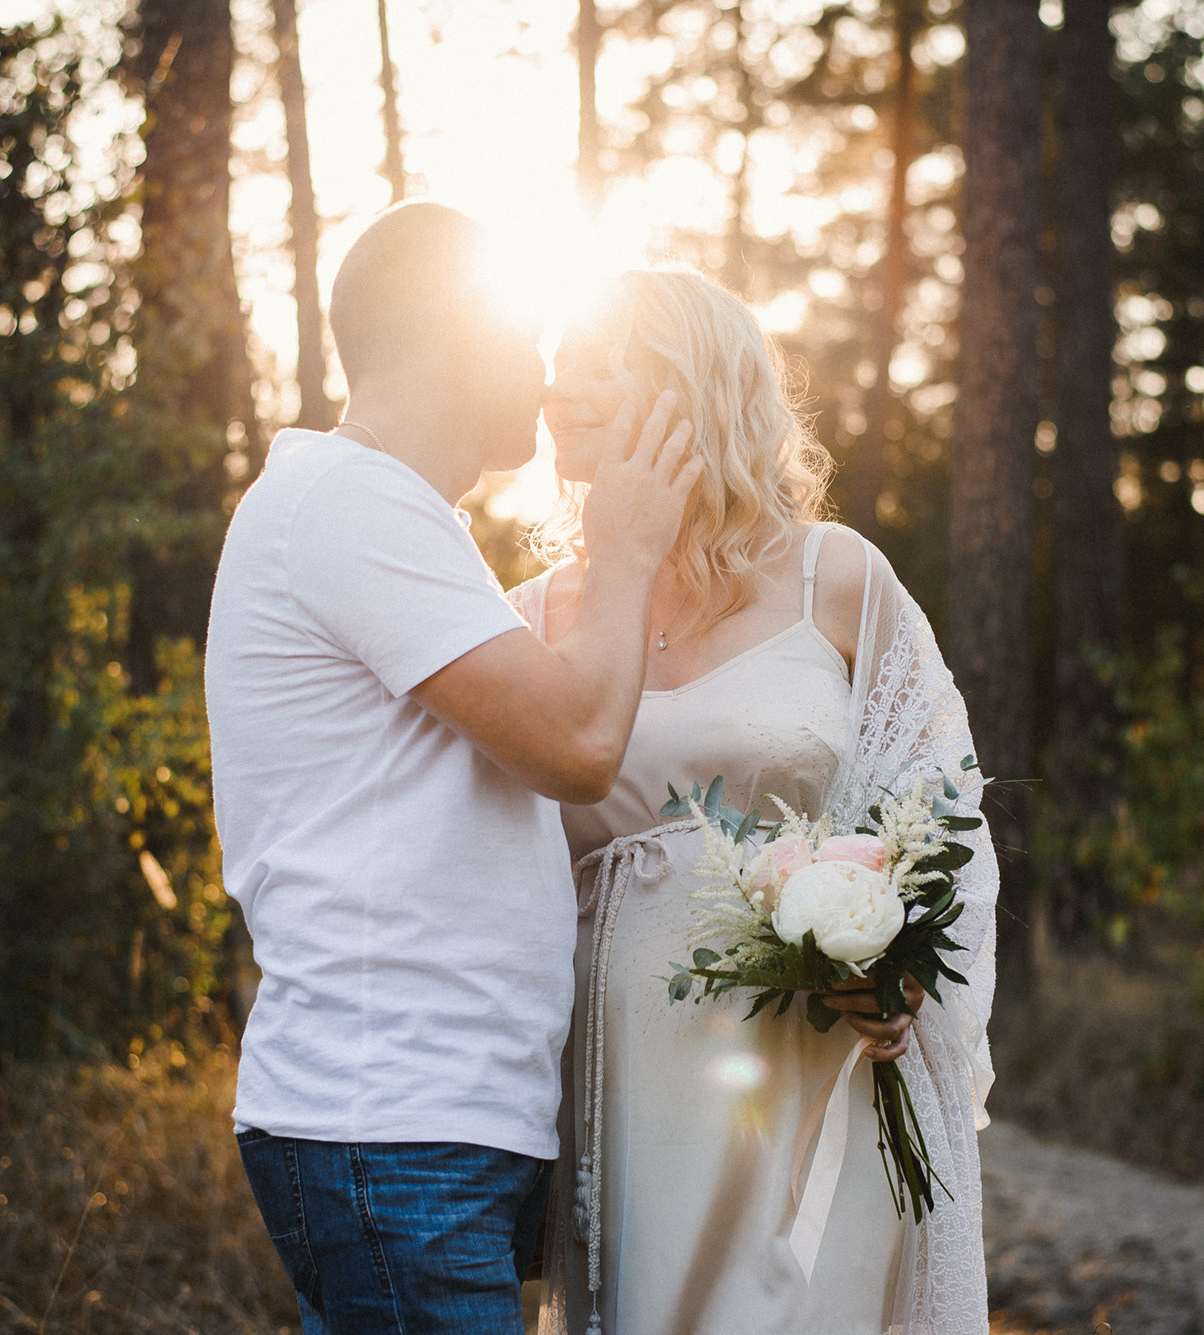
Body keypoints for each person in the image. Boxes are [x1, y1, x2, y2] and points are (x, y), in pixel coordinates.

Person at [202, 203, 701, 1335]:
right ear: (446, 334)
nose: (540, 375)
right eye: (521, 338)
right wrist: (624, 551)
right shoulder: (347, 502)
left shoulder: (394, 517)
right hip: (388, 1125)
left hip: (424, 1126)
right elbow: (574, 746)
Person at [512, 268, 998, 1334]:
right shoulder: (524, 620)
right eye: (552, 371)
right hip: (618, 1077)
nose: (555, 393)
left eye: (593, 365)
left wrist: (900, 960)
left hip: (810, 1060)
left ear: (685, 384)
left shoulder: (836, 578)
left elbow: (938, 796)